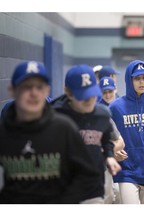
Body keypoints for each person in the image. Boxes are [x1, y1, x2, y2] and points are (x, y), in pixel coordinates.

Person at [0, 61, 100, 204]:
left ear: (47, 91)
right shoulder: (4, 133)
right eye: (26, 87)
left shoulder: (64, 128)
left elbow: (89, 176)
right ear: (12, 90)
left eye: (39, 87)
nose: (34, 93)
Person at [52, 64, 121, 204]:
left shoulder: (102, 114)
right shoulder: (54, 116)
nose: (90, 99)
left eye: (92, 93)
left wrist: (109, 155)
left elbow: (106, 138)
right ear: (68, 93)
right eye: (83, 96)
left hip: (93, 187)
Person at [109, 60, 144, 204]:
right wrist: (112, 151)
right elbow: (106, 135)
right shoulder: (115, 107)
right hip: (127, 170)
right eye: (137, 78)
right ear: (129, 79)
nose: (141, 82)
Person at [98, 76, 127, 204]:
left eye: (110, 91)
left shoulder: (122, 106)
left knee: (119, 194)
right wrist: (111, 152)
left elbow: (122, 137)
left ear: (115, 90)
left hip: (122, 152)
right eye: (104, 92)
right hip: (105, 156)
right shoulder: (98, 109)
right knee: (109, 194)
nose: (108, 95)